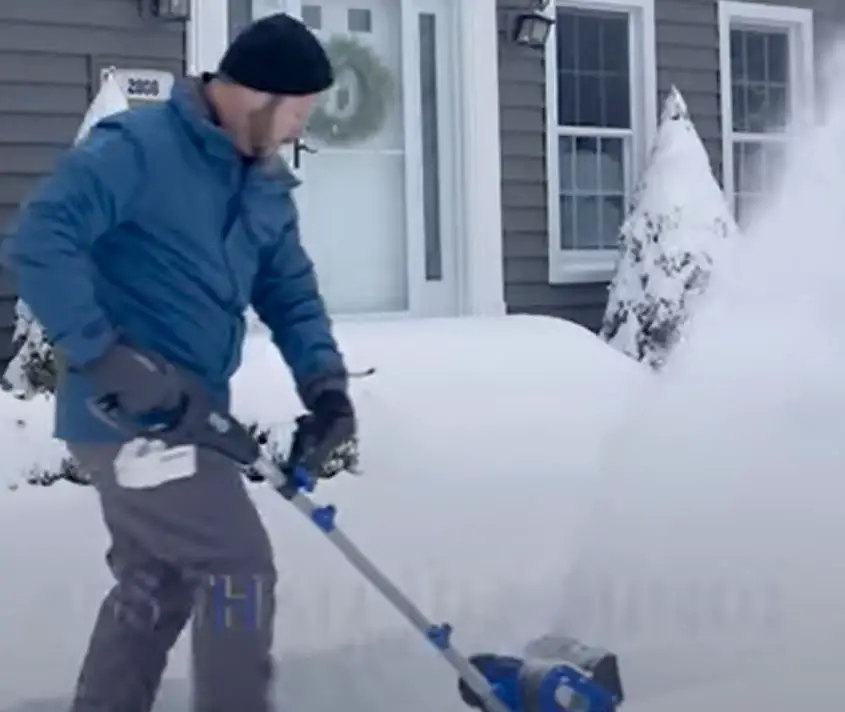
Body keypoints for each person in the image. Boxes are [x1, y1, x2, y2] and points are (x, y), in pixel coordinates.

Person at [1, 12, 355, 712]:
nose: (296, 132)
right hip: (123, 412)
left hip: (189, 413)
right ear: (255, 94)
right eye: (296, 114)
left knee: (154, 586)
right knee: (236, 571)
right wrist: (103, 353)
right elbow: (40, 238)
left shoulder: (261, 184)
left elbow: (289, 290)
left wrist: (326, 388)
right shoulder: (137, 149)